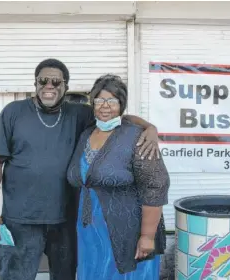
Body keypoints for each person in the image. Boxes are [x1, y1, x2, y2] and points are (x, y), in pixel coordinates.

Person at [0, 59, 161, 280]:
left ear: (65, 86)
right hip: (21, 219)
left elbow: (116, 115)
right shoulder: (13, 112)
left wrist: (150, 127)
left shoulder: (80, 114)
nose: (49, 86)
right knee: (15, 276)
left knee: (65, 276)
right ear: (35, 83)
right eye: (43, 80)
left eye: (56, 82)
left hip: (66, 220)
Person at [67, 74, 170, 279]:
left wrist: (147, 236)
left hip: (127, 232)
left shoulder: (137, 136)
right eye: (100, 100)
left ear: (121, 104)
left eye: (112, 100)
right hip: (90, 231)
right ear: (93, 102)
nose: (105, 106)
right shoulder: (86, 133)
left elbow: (155, 186)